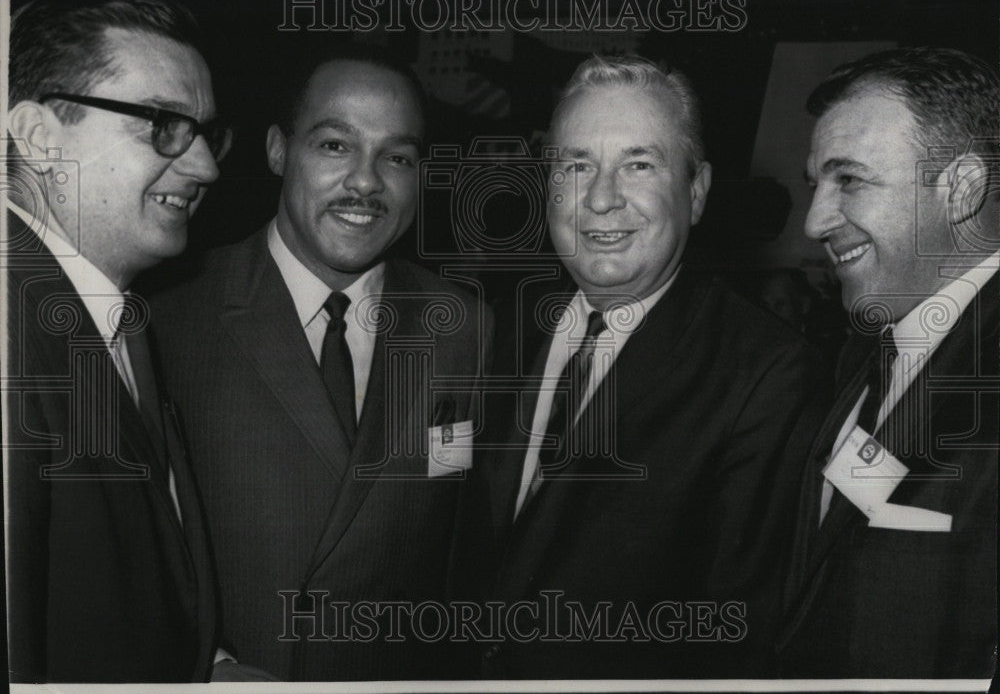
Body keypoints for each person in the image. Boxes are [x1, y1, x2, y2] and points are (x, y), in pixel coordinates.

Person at [463, 54, 825, 678]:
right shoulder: (494, 327)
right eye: (576, 165)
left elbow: (733, 640)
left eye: (639, 164)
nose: (602, 198)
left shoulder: (768, 374)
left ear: (697, 190)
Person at [151, 47, 492, 680]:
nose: (366, 182)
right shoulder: (169, 318)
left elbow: (460, 555)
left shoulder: (463, 326)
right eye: (336, 146)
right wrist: (211, 668)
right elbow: (125, 555)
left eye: (397, 157)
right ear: (279, 150)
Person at [3, 0, 229, 682]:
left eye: (205, 134)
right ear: (40, 140)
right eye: (162, 123)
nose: (205, 168)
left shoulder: (115, 316)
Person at [779, 47, 999, 678]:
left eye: (849, 180)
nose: (816, 221)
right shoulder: (864, 347)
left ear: (961, 189)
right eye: (815, 185)